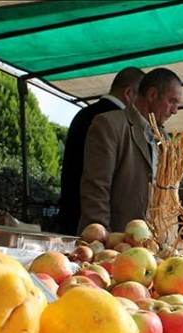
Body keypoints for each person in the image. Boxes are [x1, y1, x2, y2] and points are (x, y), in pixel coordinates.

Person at [77, 68, 182, 233]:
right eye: (172, 101)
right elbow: (96, 188)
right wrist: (101, 238)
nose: (175, 110)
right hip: (117, 241)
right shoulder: (109, 124)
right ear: (152, 94)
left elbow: (175, 189)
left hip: (153, 244)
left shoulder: (165, 140)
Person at [57, 67, 144, 235]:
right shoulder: (111, 121)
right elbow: (97, 183)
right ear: (129, 93)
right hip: (90, 223)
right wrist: (102, 232)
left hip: (72, 211)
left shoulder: (84, 114)